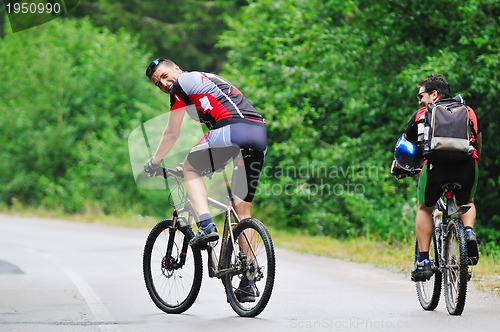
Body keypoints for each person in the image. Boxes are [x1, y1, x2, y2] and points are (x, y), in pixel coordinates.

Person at [142, 58, 267, 252]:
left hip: (230, 130)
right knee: (242, 212)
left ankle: (206, 225)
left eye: (165, 77)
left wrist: (154, 162)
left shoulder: (181, 85)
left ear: (177, 68)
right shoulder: (210, 78)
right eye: (158, 84)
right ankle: (248, 276)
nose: (165, 85)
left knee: (190, 168)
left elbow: (172, 133)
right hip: (258, 133)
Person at [400, 74, 482, 281]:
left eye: (421, 95)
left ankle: (424, 261)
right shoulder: (469, 111)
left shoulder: (421, 114)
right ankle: (469, 233)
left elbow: (405, 145)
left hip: (436, 167)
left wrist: (401, 167)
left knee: (424, 207)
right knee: (467, 202)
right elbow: (478, 143)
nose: (419, 101)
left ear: (434, 94)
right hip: (467, 165)